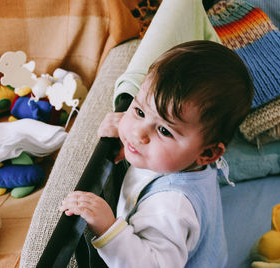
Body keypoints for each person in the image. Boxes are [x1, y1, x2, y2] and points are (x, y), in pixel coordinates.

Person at [59, 40, 253, 267]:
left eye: (163, 130)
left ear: (208, 153)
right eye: (140, 111)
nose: (139, 133)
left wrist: (109, 229)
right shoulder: (186, 159)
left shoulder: (170, 207)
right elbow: (145, 133)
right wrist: (127, 136)